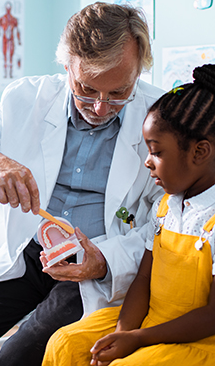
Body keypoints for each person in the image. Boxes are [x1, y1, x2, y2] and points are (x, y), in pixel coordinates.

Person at [0, 2, 163, 366]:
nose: (101, 107)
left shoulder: (161, 117)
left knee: (16, 357)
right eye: (86, 89)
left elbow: (164, 224)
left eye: (119, 93)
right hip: (31, 256)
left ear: (139, 70)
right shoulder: (27, 98)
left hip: (97, 262)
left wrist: (104, 260)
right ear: (67, 64)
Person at [42, 63, 215, 366]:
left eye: (156, 152)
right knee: (64, 344)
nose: (147, 162)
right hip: (149, 322)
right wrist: (122, 334)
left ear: (199, 153)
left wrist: (136, 341)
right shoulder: (166, 208)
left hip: (199, 340)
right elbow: (143, 279)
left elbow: (211, 318)